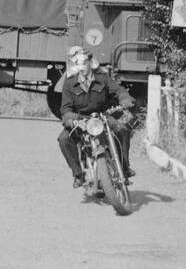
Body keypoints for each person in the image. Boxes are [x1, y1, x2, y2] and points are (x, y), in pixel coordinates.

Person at [57, 45, 135, 187]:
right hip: (81, 119)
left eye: (84, 62)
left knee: (122, 129)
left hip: (102, 117)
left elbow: (118, 90)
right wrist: (71, 120)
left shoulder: (102, 78)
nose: (81, 66)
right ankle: (78, 174)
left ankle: (124, 168)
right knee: (63, 139)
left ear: (90, 63)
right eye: (77, 63)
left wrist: (124, 98)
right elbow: (66, 109)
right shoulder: (69, 84)